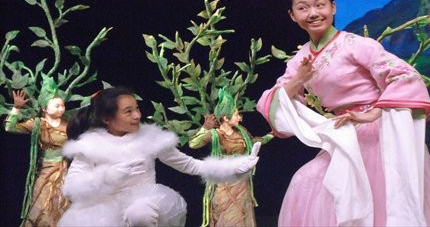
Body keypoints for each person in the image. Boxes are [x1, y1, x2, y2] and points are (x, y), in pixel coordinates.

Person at [257, 0, 430, 226]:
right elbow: (275, 100)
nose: (313, 13)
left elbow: (405, 76)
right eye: (303, 8)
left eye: (320, 5)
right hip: (346, 134)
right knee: (307, 182)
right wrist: (298, 80)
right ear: (292, 15)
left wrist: (374, 112)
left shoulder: (356, 45)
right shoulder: (300, 60)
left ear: (333, 7)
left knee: (380, 198)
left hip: (380, 135)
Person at [58, 86, 260, 227]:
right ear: (107, 118)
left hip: (142, 201)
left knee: (141, 215)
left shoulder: (149, 138)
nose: (137, 115)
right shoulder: (90, 146)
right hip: (101, 210)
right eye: (128, 112)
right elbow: (71, 188)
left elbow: (190, 165)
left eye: (136, 109)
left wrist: (235, 167)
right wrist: (108, 175)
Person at [189, 88, 273, 227]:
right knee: (226, 215)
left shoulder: (242, 131)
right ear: (226, 118)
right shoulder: (215, 134)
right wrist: (205, 127)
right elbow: (193, 144)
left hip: (241, 182)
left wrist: (271, 135)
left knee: (241, 216)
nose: (239, 117)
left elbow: (253, 142)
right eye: (235, 114)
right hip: (223, 182)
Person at [3, 78, 70, 227]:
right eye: (57, 105)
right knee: (42, 202)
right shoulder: (38, 123)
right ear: (45, 108)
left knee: (62, 202)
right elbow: (9, 127)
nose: (61, 109)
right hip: (45, 170)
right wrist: (16, 108)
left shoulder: (68, 123)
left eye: (63, 105)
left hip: (64, 170)